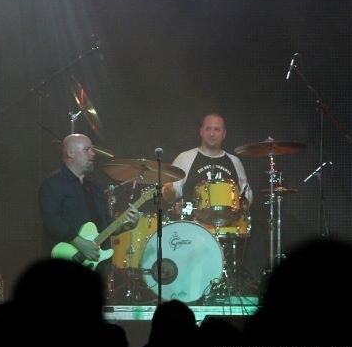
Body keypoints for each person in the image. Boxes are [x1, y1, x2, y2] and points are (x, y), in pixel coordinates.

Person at [39, 133, 139, 280]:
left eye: (92, 150)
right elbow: (51, 219)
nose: (93, 154)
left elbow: (106, 224)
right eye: (87, 149)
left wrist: (126, 225)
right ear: (70, 152)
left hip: (97, 266)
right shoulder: (53, 183)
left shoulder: (94, 187)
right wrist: (80, 243)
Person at [162, 113, 253, 228]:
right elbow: (171, 195)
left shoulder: (234, 161)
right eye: (208, 129)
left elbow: (246, 195)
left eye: (217, 129)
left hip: (227, 229)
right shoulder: (185, 158)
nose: (212, 134)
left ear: (224, 134)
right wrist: (168, 191)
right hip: (192, 228)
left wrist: (245, 204)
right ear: (201, 131)